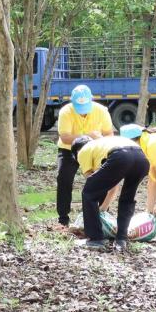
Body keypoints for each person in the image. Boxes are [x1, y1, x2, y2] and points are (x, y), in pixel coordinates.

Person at [71, 131, 148, 251]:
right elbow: (113, 185)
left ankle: (95, 239)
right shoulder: (100, 146)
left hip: (120, 155)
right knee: (127, 198)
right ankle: (121, 239)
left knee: (88, 193)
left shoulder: (83, 151)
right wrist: (102, 209)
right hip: (141, 157)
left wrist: (96, 211)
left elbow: (92, 185)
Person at [54, 84, 115, 229]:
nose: (82, 113)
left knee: (99, 179)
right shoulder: (66, 112)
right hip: (69, 150)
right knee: (64, 178)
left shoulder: (101, 110)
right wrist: (88, 136)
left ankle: (102, 213)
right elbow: (65, 138)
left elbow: (109, 134)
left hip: (94, 149)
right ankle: (63, 218)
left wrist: (100, 140)